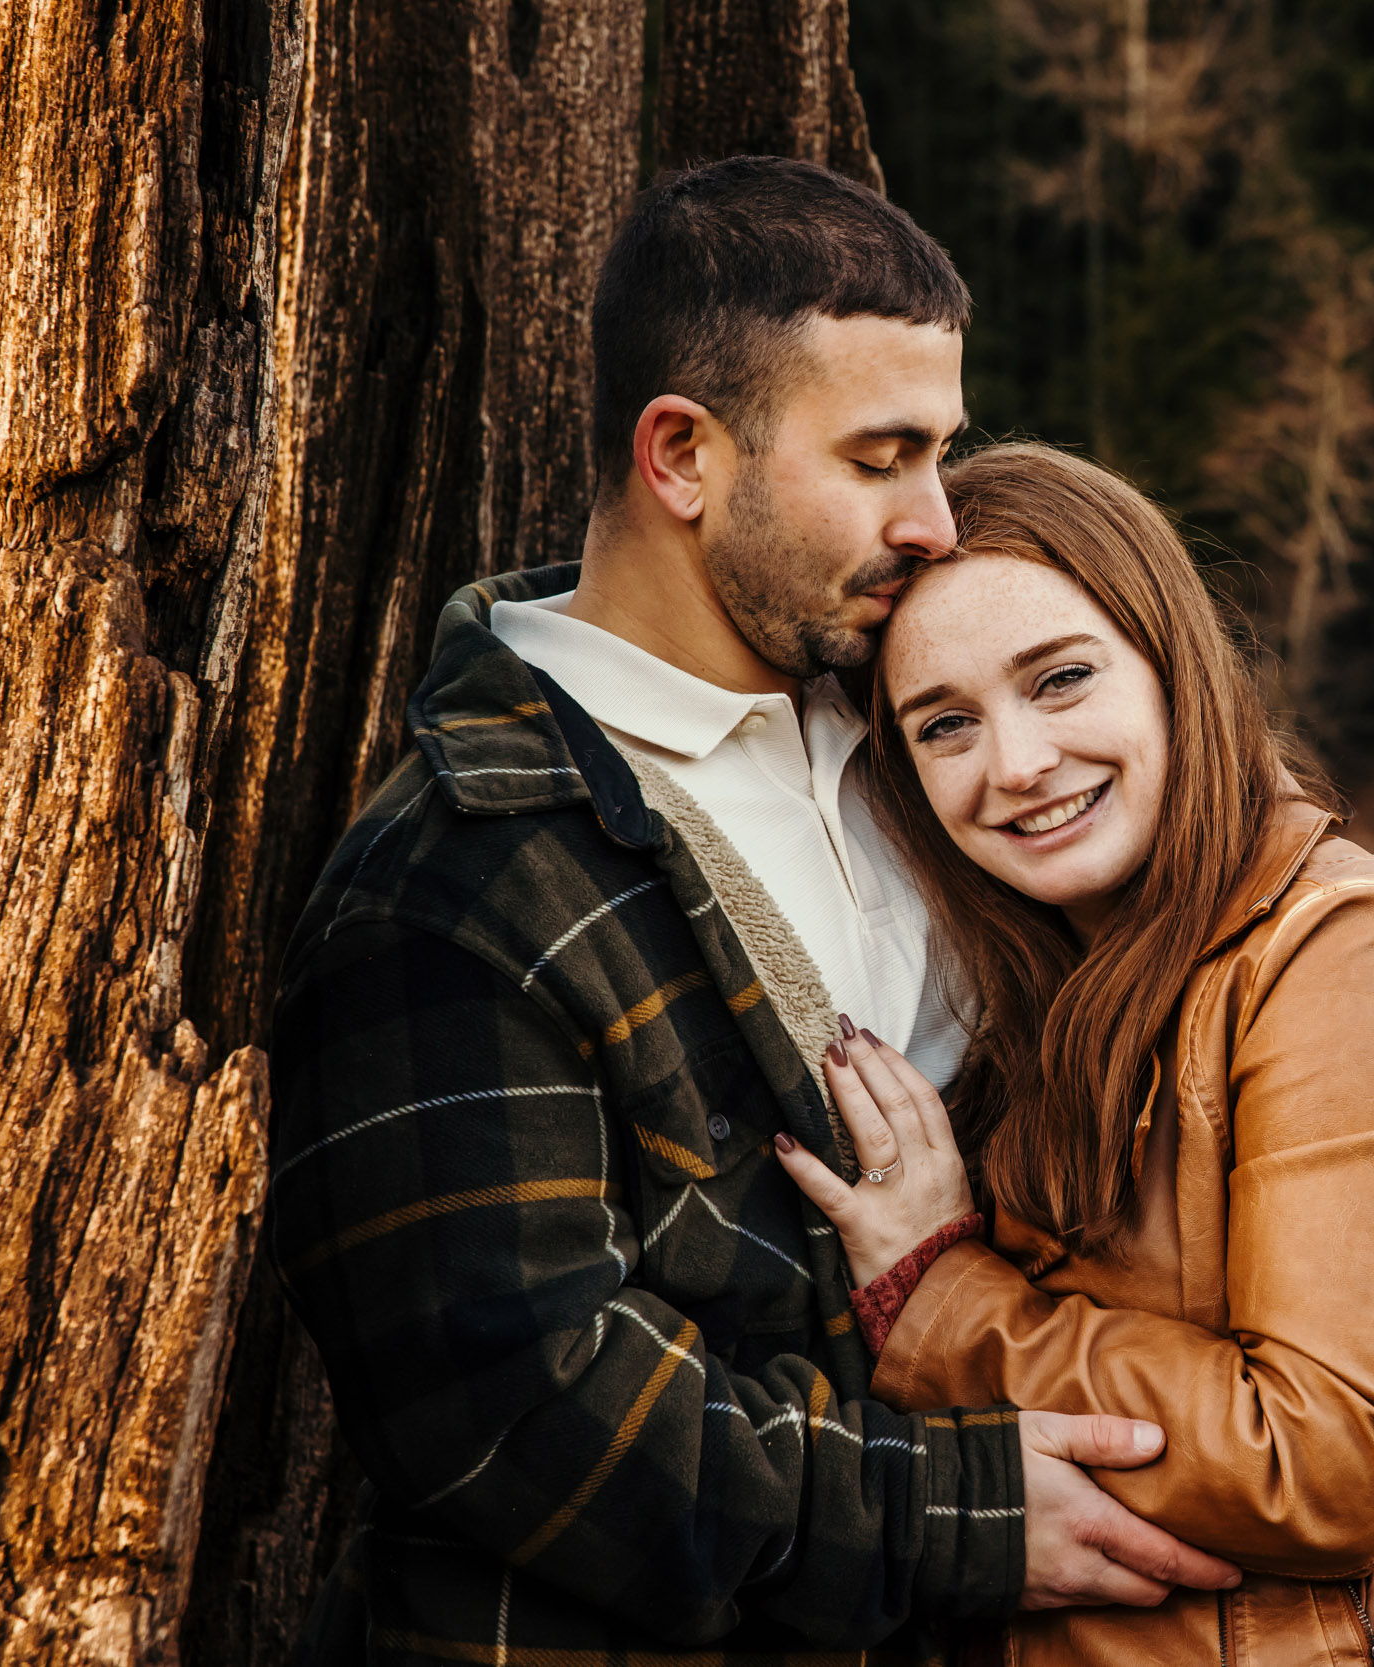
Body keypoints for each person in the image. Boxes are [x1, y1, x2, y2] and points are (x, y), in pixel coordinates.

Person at [265, 160, 1238, 1667]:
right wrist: (959, 1515)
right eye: (882, 456)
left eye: (944, 453)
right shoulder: (455, 876)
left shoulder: (927, 750)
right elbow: (509, 1405)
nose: (935, 520)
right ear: (681, 456)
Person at [772, 442, 1374, 1666]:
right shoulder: (1028, 1002)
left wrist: (943, 1303)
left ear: (1175, 669)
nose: (1017, 763)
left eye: (1060, 679)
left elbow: (1330, 1456)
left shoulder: (1350, 954)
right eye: (946, 723)